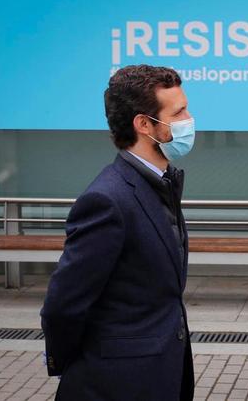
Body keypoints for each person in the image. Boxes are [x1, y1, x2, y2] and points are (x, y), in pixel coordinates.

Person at [40, 64, 196, 400]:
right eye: (179, 111)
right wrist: (82, 363)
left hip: (159, 377)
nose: (189, 119)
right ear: (144, 124)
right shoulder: (107, 200)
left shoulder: (159, 184)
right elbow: (62, 305)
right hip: (115, 384)